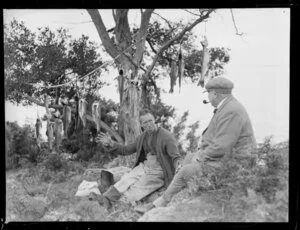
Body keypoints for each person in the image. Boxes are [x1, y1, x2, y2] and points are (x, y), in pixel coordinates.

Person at [137, 76, 257, 213]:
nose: (208, 97)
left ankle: (159, 205)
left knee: (185, 171)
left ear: (215, 94)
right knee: (187, 159)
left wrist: (200, 157)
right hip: (228, 158)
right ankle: (172, 197)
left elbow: (222, 147)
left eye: (208, 93)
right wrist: (197, 154)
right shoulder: (227, 106)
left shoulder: (231, 111)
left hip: (236, 163)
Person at [95, 109, 181, 209]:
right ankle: (106, 199)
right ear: (141, 125)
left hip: (160, 170)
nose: (149, 124)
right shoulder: (142, 137)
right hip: (145, 165)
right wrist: (111, 143)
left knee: (138, 187)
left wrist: (178, 168)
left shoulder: (166, 136)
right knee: (125, 179)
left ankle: (120, 207)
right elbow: (126, 150)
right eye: (145, 122)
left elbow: (175, 157)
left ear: (154, 120)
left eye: (151, 121)